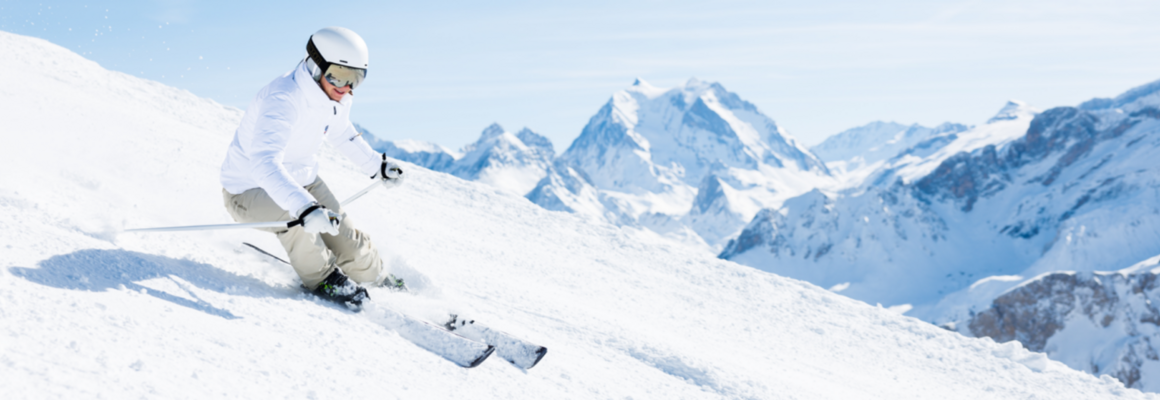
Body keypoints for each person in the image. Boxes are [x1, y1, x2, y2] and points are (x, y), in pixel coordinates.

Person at [219, 27, 404, 308]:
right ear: (316, 66)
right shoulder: (282, 99)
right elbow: (263, 163)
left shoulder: (336, 96)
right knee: (297, 222)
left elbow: (341, 132)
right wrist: (304, 207)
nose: (346, 88)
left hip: (302, 180)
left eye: (355, 79)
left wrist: (376, 166)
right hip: (248, 191)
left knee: (346, 239)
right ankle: (324, 278)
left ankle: (375, 275)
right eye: (339, 76)